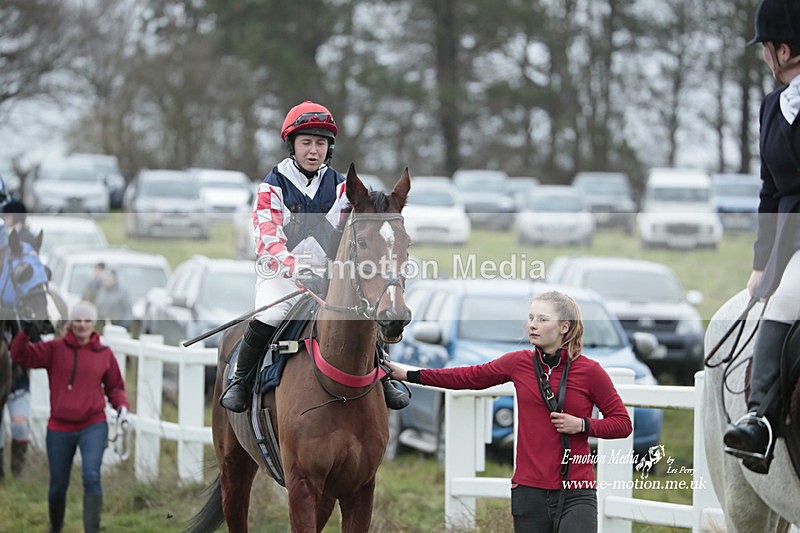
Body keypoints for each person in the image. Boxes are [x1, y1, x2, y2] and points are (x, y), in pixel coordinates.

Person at [219, 100, 409, 412]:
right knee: (269, 316)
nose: (313, 150)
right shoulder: (272, 186)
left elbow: (361, 232)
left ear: (328, 148)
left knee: (361, 314)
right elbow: (269, 242)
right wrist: (296, 269)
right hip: (281, 278)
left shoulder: (341, 187)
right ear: (291, 145)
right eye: (306, 142)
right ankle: (240, 380)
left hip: (328, 277)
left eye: (320, 143)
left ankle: (384, 377)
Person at [387, 290, 632, 533]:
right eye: (531, 317)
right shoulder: (518, 363)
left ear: (564, 327)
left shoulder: (590, 371)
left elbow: (622, 423)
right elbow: (466, 377)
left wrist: (583, 425)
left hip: (577, 492)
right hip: (529, 490)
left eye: (542, 319)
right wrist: (408, 374)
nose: (532, 325)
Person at [723, 0, 800, 475]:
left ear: (785, 50)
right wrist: (759, 263)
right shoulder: (773, 107)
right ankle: (763, 423)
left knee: (789, 296)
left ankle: (758, 415)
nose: (764, 58)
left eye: (766, 49)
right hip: (790, 239)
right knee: (775, 291)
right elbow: (771, 190)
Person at [10, 301, 130, 533]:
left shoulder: (104, 354)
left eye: (86, 321)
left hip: (93, 425)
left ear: (92, 324)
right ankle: (56, 527)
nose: (82, 325)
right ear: (70, 323)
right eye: (77, 320)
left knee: (91, 476)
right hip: (59, 428)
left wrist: (122, 406)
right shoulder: (54, 349)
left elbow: (115, 387)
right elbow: (20, 355)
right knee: (57, 486)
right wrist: (25, 332)